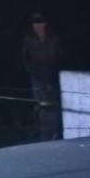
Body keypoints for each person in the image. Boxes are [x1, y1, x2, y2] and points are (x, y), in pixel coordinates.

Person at [22, 12, 63, 140]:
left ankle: (56, 132)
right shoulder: (29, 39)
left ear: (45, 24)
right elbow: (25, 58)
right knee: (39, 106)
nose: (37, 26)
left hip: (52, 77)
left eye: (40, 23)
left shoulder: (53, 38)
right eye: (35, 23)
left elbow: (59, 56)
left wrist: (55, 74)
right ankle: (40, 131)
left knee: (54, 105)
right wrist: (32, 73)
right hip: (37, 78)